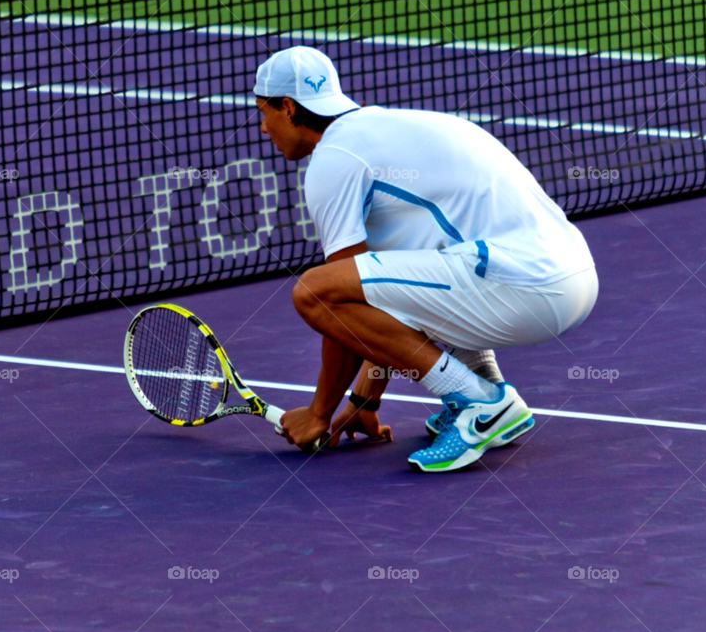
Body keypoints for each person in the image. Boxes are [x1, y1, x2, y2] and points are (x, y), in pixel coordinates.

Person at [254, 46, 598, 473]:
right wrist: (364, 399)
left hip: (526, 288)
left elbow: (336, 299)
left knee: (313, 290)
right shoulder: (397, 130)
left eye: (263, 111)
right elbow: (381, 300)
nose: (263, 127)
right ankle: (485, 390)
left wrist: (319, 413)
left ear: (288, 107)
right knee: (398, 272)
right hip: (572, 278)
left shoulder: (334, 159)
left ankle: (480, 403)